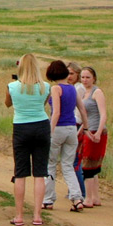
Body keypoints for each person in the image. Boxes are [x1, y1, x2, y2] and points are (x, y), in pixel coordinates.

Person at [5, 53, 50, 226]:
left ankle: (19, 215)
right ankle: (37, 215)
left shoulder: (12, 86)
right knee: (40, 172)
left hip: (21, 127)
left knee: (20, 173)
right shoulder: (45, 86)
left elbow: (8, 104)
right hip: (41, 125)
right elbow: (43, 104)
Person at [43, 60, 89, 212]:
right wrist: (86, 128)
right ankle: (77, 198)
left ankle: (48, 199)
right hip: (71, 129)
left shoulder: (56, 88)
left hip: (59, 128)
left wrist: (50, 130)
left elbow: (56, 112)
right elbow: (82, 109)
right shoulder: (72, 88)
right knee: (68, 166)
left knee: (50, 165)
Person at [79, 66, 107, 207]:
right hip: (87, 131)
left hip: (96, 131)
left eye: (87, 77)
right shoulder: (82, 92)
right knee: (91, 165)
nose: (85, 80)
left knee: (89, 165)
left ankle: (88, 198)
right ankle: (95, 197)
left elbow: (103, 115)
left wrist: (98, 132)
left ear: (94, 78)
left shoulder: (97, 92)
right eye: (83, 77)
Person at [66, 61, 87, 198]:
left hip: (76, 124)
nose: (69, 76)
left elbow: (79, 112)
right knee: (71, 161)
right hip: (74, 124)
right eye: (67, 73)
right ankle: (74, 191)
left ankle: (80, 192)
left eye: (72, 73)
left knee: (74, 161)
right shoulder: (73, 87)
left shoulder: (78, 88)